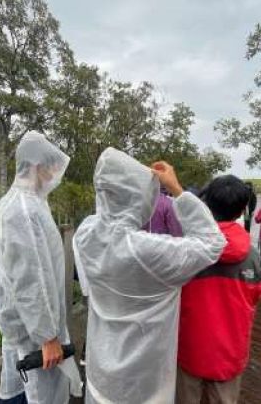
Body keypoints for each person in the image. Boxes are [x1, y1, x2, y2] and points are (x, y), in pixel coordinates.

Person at [72, 148, 226, 404]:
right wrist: (177, 190)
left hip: (101, 372)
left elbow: (104, 214)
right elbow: (212, 242)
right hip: (146, 382)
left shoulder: (87, 234)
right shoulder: (150, 251)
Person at [0, 132, 82, 404]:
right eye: (51, 166)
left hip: (32, 331)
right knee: (31, 393)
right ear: (35, 166)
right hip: (33, 335)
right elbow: (29, 279)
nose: (55, 173)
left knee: (26, 389)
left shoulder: (29, 203)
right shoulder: (21, 210)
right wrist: (47, 337)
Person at [177, 175, 261, 404]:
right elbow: (256, 296)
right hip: (230, 353)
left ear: (206, 204)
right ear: (241, 210)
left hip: (190, 349)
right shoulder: (252, 256)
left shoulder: (188, 248)